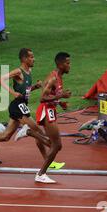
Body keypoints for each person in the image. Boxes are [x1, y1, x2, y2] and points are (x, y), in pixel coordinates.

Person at [0, 48, 66, 169]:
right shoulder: (18, 71)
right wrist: (13, 93)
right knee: (37, 130)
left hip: (21, 104)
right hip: (18, 105)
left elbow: (25, 91)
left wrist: (35, 87)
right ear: (24, 59)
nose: (34, 59)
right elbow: (0, 79)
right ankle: (29, 134)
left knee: (5, 136)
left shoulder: (29, 71)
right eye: (31, 57)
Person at [34, 52, 72, 183]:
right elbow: (42, 98)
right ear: (60, 64)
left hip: (51, 109)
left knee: (56, 145)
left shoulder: (59, 77)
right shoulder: (53, 78)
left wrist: (60, 102)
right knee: (57, 145)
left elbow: (52, 94)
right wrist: (60, 97)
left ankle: (31, 133)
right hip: (46, 110)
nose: (69, 66)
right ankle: (40, 174)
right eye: (67, 63)